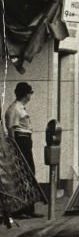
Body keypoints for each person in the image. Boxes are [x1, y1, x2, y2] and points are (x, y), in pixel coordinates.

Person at [5, 82, 39, 218]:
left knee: (29, 173)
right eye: (30, 93)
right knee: (22, 175)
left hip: (25, 140)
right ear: (26, 94)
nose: (31, 95)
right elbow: (11, 130)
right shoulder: (15, 109)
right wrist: (15, 149)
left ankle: (29, 208)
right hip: (20, 141)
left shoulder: (20, 108)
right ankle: (20, 210)